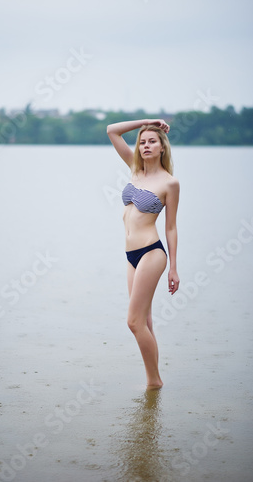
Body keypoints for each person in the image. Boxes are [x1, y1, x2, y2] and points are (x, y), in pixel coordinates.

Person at [106, 118, 180, 389]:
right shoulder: (134, 168)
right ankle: (155, 382)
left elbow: (171, 227)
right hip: (131, 256)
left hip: (152, 253)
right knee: (145, 322)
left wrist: (173, 267)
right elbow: (112, 130)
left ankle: (153, 382)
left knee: (134, 322)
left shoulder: (170, 183)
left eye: (152, 141)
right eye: (142, 141)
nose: (146, 145)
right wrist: (147, 122)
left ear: (162, 147)